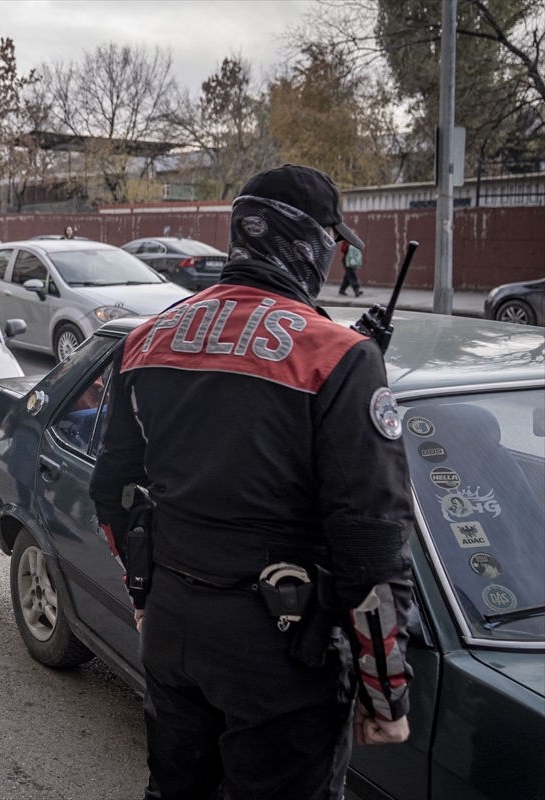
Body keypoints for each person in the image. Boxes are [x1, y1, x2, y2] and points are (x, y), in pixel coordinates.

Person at [89, 164, 414, 799]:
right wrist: (385, 691)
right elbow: (372, 543)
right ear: (311, 243)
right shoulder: (339, 357)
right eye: (333, 243)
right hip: (279, 652)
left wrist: (146, 595)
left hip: (172, 625)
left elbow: (112, 492)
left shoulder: (146, 339)